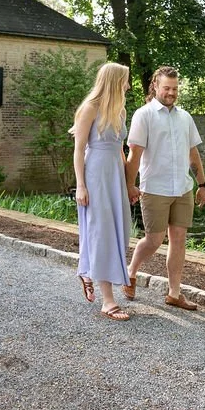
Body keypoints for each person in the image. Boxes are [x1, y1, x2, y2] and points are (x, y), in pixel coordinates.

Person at [123, 66, 205, 310]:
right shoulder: (144, 115)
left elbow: (194, 154)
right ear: (155, 87)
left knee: (179, 239)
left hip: (183, 188)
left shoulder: (185, 117)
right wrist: (130, 185)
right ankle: (131, 271)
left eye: (175, 88)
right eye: (166, 88)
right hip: (155, 188)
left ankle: (174, 293)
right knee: (154, 239)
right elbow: (134, 155)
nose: (171, 92)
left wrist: (202, 184)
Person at [71, 62, 136, 321]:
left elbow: (120, 150)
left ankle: (88, 272)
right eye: (125, 80)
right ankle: (108, 301)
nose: (129, 86)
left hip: (114, 176)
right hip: (95, 174)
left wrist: (128, 183)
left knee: (119, 230)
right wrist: (81, 185)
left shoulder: (119, 110)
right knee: (102, 232)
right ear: (114, 81)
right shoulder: (90, 108)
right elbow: (78, 150)